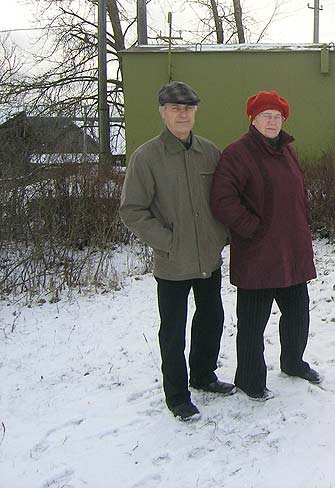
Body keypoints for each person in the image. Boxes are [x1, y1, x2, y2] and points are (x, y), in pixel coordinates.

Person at [119, 81, 233, 422]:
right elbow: (132, 210)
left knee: (212, 319)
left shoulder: (209, 152)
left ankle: (202, 374)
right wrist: (167, 241)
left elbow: (223, 199)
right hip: (172, 262)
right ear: (163, 112)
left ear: (195, 112)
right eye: (174, 108)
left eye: (188, 109)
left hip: (208, 258)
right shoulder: (147, 157)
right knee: (173, 331)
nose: (182, 114)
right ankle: (178, 396)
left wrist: (222, 235)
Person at [210, 90, 321, 401]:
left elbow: (298, 195)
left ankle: (293, 363)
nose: (272, 121)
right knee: (252, 323)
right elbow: (223, 200)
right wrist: (252, 230)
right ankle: (249, 379)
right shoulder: (237, 154)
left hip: (292, 251)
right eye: (266, 116)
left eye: (277, 116)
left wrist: (304, 224)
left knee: (298, 315)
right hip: (258, 255)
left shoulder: (287, 151)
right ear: (253, 120)